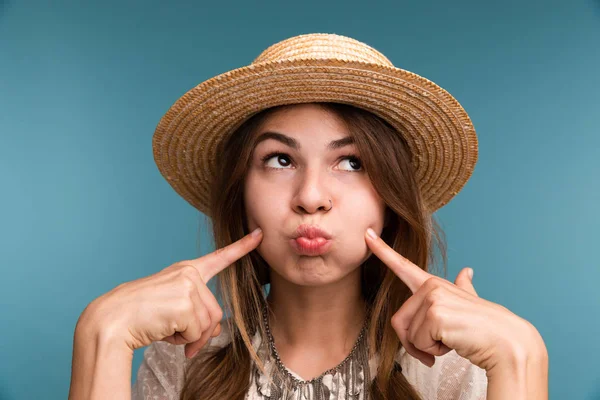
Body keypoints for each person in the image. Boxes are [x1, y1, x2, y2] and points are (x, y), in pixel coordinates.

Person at [69, 33, 548, 400]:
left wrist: (519, 357)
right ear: (241, 193)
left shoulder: (456, 370)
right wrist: (102, 334)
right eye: (280, 159)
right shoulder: (182, 363)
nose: (311, 197)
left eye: (352, 162)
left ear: (390, 198)